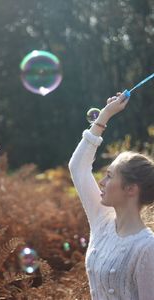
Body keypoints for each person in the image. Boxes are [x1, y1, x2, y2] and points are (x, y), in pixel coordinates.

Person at [68, 91, 154, 300]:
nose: (101, 182)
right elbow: (78, 167)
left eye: (109, 176)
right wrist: (105, 115)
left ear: (130, 189)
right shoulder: (102, 221)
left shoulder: (147, 249)